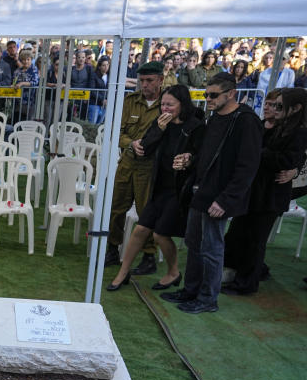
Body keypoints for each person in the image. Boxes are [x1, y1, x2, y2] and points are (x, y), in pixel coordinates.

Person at [161, 73, 262, 313]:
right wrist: (190, 160)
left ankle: (207, 299)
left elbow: (248, 166)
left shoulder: (246, 121)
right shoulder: (214, 117)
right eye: (206, 95)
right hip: (201, 192)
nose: (208, 99)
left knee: (212, 249)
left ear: (231, 93)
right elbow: (207, 153)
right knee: (194, 243)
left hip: (220, 197)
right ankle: (191, 290)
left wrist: (226, 200)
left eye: (214, 95)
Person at [106, 85, 205, 292]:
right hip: (159, 185)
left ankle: (173, 271)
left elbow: (201, 157)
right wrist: (158, 130)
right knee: (141, 229)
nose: (165, 109)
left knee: (160, 234)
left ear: (182, 104)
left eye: (170, 105)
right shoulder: (160, 123)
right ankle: (123, 272)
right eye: (163, 104)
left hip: (178, 189)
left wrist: (188, 160)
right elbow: (145, 149)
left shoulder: (195, 126)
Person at [223, 88, 307, 295]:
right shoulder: (274, 126)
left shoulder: (298, 131)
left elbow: (289, 160)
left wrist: (258, 154)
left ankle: (246, 283)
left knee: (255, 240)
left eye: (279, 106)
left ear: (295, 109)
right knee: (239, 233)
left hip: (270, 195)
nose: (273, 109)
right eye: (271, 105)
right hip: (256, 191)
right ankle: (248, 272)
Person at [103, 62, 164, 271]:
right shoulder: (130, 101)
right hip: (128, 161)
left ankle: (149, 256)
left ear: (160, 80)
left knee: (145, 211)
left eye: (150, 81)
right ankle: (112, 249)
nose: (144, 85)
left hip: (150, 166)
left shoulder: (167, 104)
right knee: (116, 206)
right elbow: (116, 132)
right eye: (142, 80)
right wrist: (131, 143)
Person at [88, 56, 110, 124]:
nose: (106, 67)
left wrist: (107, 100)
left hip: (105, 104)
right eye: (103, 65)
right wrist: (102, 99)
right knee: (92, 124)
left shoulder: (110, 75)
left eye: (107, 65)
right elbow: (93, 90)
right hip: (95, 103)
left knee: (99, 124)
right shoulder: (94, 75)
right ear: (99, 67)